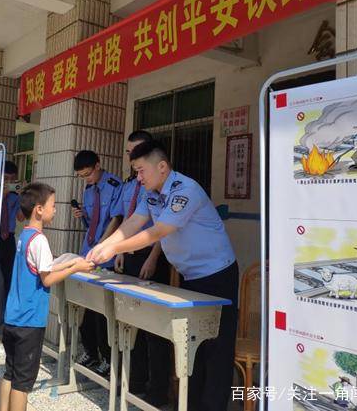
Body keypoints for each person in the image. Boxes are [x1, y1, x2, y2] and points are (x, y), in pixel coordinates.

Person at [88, 140, 238, 411]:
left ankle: (213, 406)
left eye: (141, 171)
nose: (138, 178)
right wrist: (104, 245)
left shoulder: (185, 190)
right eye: (135, 172)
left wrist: (113, 248)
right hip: (191, 276)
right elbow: (134, 222)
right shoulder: (151, 193)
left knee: (216, 348)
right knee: (193, 346)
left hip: (217, 274)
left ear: (162, 167)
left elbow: (158, 231)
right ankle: (192, 406)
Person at [0, 183, 94, 411]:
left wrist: (70, 262)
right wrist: (75, 268)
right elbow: (47, 279)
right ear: (39, 209)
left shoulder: (25, 235)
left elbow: (44, 267)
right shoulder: (40, 240)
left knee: (10, 373)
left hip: (13, 318)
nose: (55, 209)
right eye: (53, 205)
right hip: (29, 321)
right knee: (23, 383)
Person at [113, 130, 171, 406]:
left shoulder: (168, 188)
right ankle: (134, 381)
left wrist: (153, 257)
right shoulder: (132, 186)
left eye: (136, 152)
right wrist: (118, 251)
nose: (131, 158)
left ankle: (157, 390)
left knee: (154, 327)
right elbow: (128, 221)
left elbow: (162, 229)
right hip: (130, 255)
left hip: (152, 258)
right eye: (128, 153)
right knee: (131, 320)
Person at [72, 150, 123, 376]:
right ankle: (91, 352)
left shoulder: (115, 185)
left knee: (104, 313)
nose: (86, 179)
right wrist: (82, 214)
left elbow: (117, 219)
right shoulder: (88, 190)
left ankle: (108, 359)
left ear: (98, 165)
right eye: (82, 176)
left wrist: (102, 245)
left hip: (107, 254)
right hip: (89, 253)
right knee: (88, 307)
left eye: (88, 174)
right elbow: (92, 222)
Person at [0, 161, 25, 339]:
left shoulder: (15, 196)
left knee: (8, 281)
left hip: (9, 240)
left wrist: (23, 196)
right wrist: (2, 194)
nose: (9, 182)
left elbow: (20, 218)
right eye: (6, 179)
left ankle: (4, 322)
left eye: (13, 179)